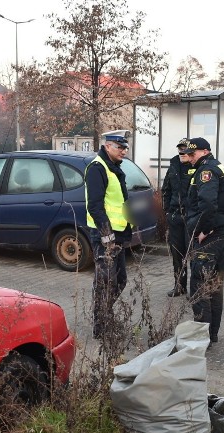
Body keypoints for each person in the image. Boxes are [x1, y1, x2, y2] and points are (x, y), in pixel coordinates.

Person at [183, 137, 224, 344]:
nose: (189, 158)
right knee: (214, 286)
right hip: (220, 233)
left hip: (209, 236)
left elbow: (207, 204)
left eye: (192, 154)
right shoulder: (217, 167)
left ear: (204, 152)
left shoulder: (207, 171)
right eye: (188, 154)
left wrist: (203, 229)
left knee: (200, 286)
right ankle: (211, 334)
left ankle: (200, 338)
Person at [85, 132, 133, 339]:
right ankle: (101, 327)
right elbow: (95, 206)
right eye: (120, 147)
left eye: (125, 148)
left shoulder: (114, 167)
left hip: (118, 233)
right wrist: (106, 234)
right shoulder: (97, 168)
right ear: (107, 146)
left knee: (119, 280)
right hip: (105, 236)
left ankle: (105, 315)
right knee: (106, 282)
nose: (124, 151)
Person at [160, 138, 193, 297]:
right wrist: (167, 211)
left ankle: (195, 289)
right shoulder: (173, 166)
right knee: (177, 255)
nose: (182, 152)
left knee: (192, 255)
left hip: (191, 218)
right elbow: (165, 189)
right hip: (175, 216)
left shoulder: (197, 167)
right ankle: (179, 286)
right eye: (180, 149)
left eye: (185, 149)